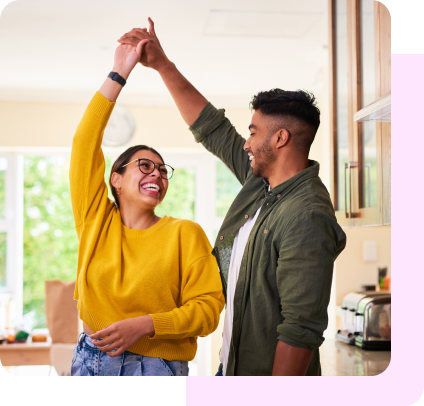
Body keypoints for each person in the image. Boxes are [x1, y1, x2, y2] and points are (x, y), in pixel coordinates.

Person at [118, 18, 347, 376]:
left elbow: (300, 330)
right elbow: (213, 129)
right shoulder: (262, 184)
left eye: (254, 132)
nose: (246, 142)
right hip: (233, 368)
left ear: (280, 139)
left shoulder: (306, 215)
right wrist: (162, 64)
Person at [69, 39, 225, 376]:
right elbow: (84, 143)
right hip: (89, 358)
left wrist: (146, 325)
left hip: (156, 366)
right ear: (116, 179)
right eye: (144, 165)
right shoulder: (95, 220)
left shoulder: (185, 234)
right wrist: (120, 71)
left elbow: (208, 310)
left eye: (162, 170)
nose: (157, 173)